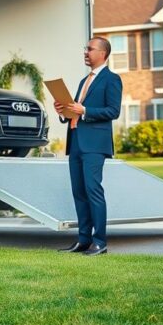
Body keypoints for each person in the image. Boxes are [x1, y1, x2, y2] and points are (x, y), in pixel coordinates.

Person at [54, 36, 122, 256]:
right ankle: (83, 240)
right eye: (86, 48)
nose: (86, 52)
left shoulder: (112, 79)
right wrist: (63, 111)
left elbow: (113, 111)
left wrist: (85, 111)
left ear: (103, 53)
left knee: (93, 191)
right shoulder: (84, 81)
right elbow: (75, 111)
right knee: (79, 192)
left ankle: (99, 242)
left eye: (90, 49)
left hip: (94, 144)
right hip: (76, 142)